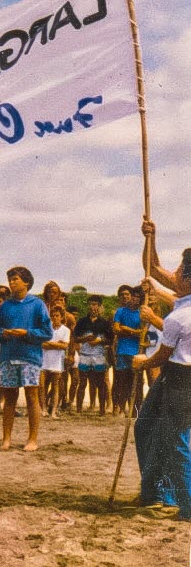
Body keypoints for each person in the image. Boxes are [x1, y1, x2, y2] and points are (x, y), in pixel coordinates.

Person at [132, 219, 191, 518]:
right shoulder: (182, 299)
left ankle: (170, 495)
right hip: (173, 374)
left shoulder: (183, 310)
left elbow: (175, 332)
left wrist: (153, 318)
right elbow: (153, 268)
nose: (176, 273)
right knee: (145, 426)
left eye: (180, 270)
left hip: (181, 375)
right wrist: (150, 237)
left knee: (172, 437)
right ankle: (154, 490)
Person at [0, 266, 52, 452]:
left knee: (32, 397)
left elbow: (47, 332)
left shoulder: (38, 305)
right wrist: (5, 334)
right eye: (10, 279)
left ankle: (32, 439)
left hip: (30, 357)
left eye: (15, 279)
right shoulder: (5, 306)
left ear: (26, 282)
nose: (11, 282)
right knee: (9, 398)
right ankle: (6, 439)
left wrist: (27, 333)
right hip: (8, 357)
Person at [73, 294, 112, 415]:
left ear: (100, 306)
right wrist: (85, 338)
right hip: (84, 355)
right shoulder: (82, 322)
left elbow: (110, 339)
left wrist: (100, 341)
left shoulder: (104, 323)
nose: (92, 307)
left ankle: (101, 410)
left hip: (99, 356)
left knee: (100, 383)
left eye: (95, 304)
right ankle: (79, 410)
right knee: (83, 382)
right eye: (90, 304)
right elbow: (75, 338)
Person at [113, 285, 144, 415]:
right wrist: (133, 332)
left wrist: (127, 329)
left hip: (136, 352)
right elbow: (116, 329)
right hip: (122, 350)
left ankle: (135, 409)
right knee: (122, 381)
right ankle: (121, 408)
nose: (134, 299)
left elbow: (142, 333)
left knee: (136, 382)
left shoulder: (141, 313)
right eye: (133, 296)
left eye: (137, 297)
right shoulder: (120, 311)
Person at [40, 305, 70, 418]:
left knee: (55, 387)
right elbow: (42, 344)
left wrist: (51, 344)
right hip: (44, 360)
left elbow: (64, 346)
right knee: (42, 386)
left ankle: (54, 410)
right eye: (53, 316)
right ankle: (43, 408)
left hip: (57, 361)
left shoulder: (66, 330)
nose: (55, 318)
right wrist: (57, 344)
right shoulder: (46, 328)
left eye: (57, 316)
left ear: (62, 317)